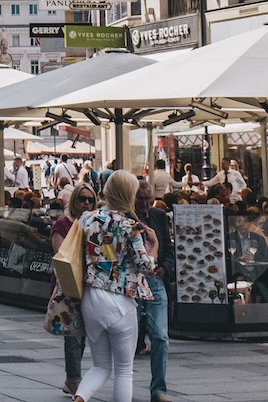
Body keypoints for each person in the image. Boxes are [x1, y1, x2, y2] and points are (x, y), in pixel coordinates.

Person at [72, 169, 157, 402]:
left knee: (100, 365)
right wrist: (155, 245)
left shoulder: (87, 219)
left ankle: (79, 398)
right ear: (129, 193)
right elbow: (145, 266)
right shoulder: (130, 226)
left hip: (90, 298)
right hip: (121, 300)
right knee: (123, 370)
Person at [52, 182, 97, 397]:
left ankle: (72, 376)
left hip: (91, 284)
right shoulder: (62, 224)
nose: (86, 203)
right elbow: (60, 255)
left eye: (90, 199)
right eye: (82, 199)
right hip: (69, 285)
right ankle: (74, 380)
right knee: (72, 334)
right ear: (74, 201)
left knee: (83, 334)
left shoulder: (96, 224)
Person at [134, 180, 174, 402]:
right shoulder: (125, 219)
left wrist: (165, 269)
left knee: (160, 335)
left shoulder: (158, 216)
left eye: (148, 198)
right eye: (140, 198)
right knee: (128, 337)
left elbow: (168, 248)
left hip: (155, 280)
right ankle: (122, 381)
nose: (145, 203)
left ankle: (158, 389)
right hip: (133, 281)